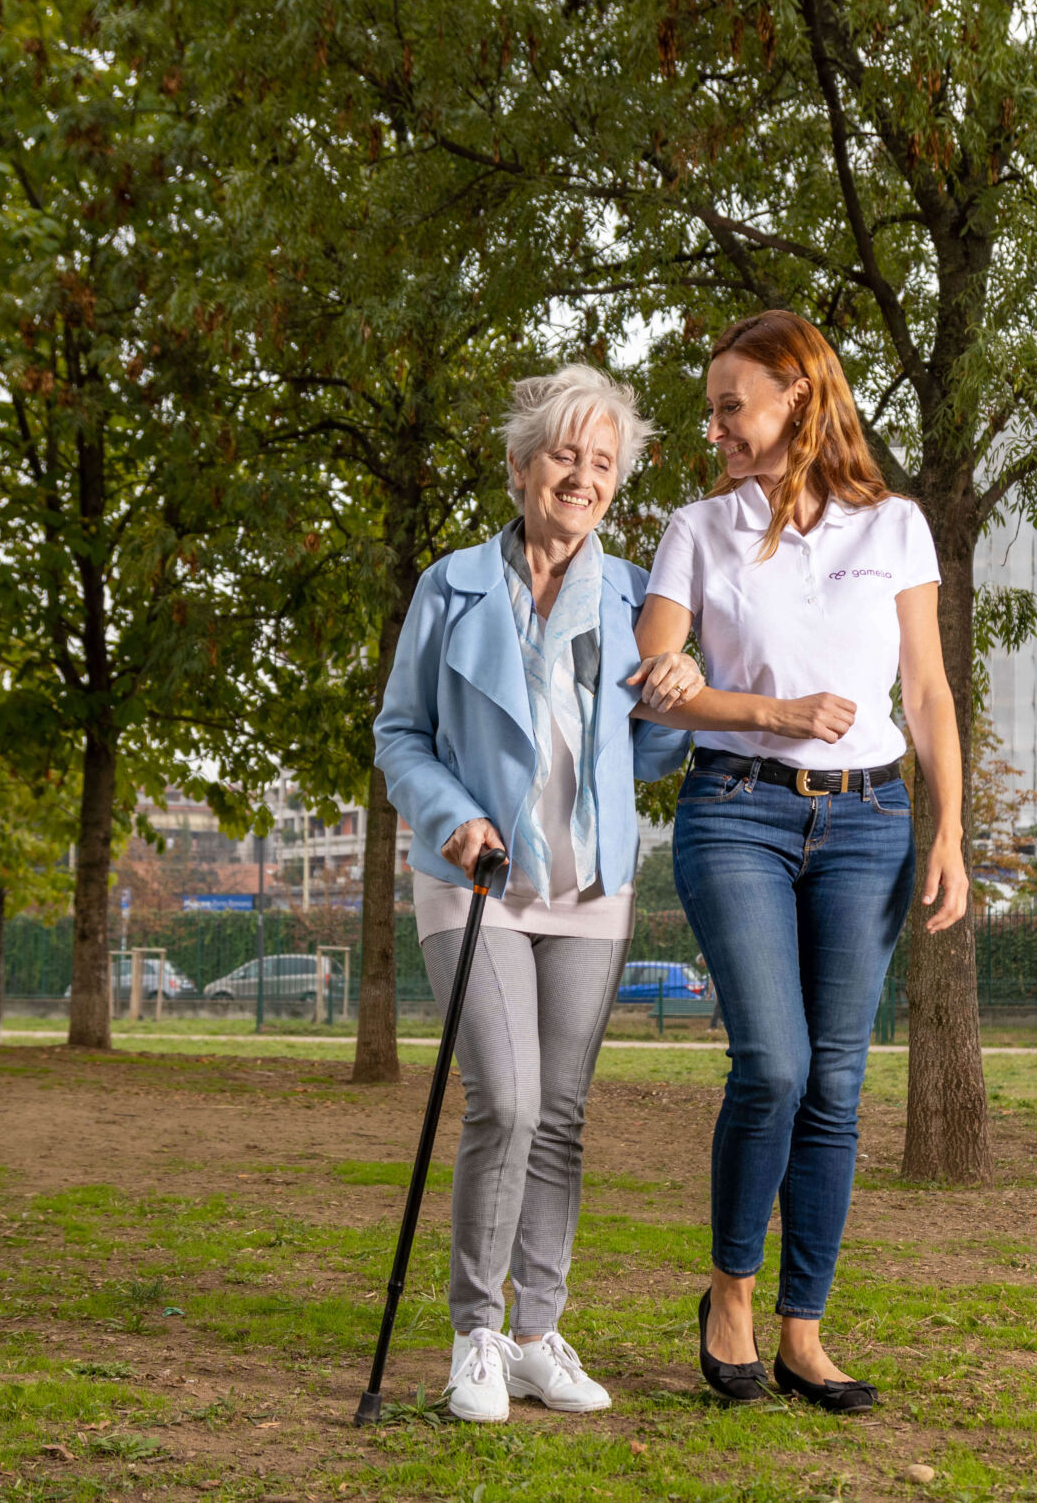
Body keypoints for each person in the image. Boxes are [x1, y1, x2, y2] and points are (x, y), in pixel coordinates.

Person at [632, 309, 969, 1414]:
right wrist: (774, 712)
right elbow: (660, 676)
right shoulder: (696, 528)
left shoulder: (897, 529)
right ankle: (729, 1293)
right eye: (713, 407)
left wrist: (950, 829)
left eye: (732, 404)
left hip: (871, 820)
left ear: (798, 398)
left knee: (835, 1085)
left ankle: (803, 1333)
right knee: (771, 1065)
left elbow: (923, 692)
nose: (716, 425)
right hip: (736, 809)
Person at [372, 364, 699, 1423]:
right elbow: (400, 735)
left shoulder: (636, 598)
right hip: (477, 879)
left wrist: (680, 700)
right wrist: (448, 815)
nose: (583, 476)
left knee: (558, 1115)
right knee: (504, 1099)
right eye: (565, 454)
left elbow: (649, 760)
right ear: (520, 468)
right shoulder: (450, 586)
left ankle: (534, 1334)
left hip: (589, 887)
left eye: (602, 463)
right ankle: (474, 1331)